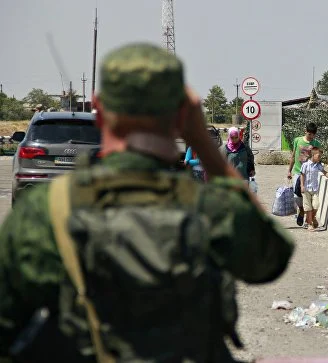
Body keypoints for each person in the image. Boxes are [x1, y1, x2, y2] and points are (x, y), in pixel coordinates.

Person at [0, 42, 294, 362]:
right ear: (182, 114)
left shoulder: (46, 212)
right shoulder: (211, 208)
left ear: (98, 107)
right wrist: (205, 145)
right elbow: (271, 256)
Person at [287, 122, 321, 227]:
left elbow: (318, 158)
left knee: (308, 197)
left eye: (313, 134)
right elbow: (293, 156)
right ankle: (301, 210)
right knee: (297, 195)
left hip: (309, 173)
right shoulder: (297, 140)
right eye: (309, 134)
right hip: (297, 172)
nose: (311, 136)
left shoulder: (316, 143)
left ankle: (308, 218)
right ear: (305, 131)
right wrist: (289, 170)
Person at [299, 147, 328, 231]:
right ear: (313, 155)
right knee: (308, 208)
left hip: (314, 189)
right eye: (318, 156)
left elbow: (324, 172)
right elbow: (302, 175)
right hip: (306, 189)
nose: (319, 158)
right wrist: (302, 186)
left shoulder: (318, 165)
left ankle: (311, 218)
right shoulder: (305, 165)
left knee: (316, 206)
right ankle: (310, 224)